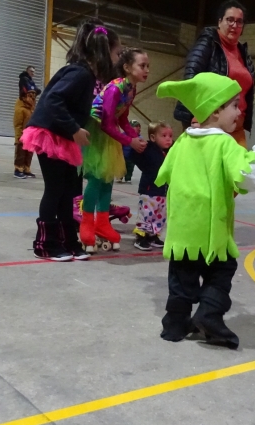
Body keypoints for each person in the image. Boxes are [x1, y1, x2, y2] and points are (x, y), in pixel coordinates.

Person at [156, 72, 255, 349]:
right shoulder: (224, 144)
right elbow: (249, 173)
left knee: (181, 277)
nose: (239, 112)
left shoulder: (181, 142)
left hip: (183, 229)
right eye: (235, 106)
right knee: (221, 270)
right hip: (212, 230)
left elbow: (164, 174)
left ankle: (174, 325)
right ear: (215, 111)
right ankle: (209, 315)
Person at [21, 19, 121, 261]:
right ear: (103, 52)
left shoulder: (87, 76)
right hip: (50, 135)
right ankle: (45, 243)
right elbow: (53, 100)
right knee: (55, 190)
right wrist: (74, 128)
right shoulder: (80, 74)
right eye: (117, 53)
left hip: (62, 136)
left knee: (69, 192)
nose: (119, 58)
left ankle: (67, 239)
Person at [80, 48, 149, 254]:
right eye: (142, 66)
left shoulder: (131, 89)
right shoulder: (115, 89)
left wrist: (134, 136)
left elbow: (122, 118)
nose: (147, 70)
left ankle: (102, 222)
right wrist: (129, 141)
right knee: (96, 178)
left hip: (110, 134)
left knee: (108, 179)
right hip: (97, 132)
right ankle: (86, 222)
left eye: (148, 66)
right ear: (127, 67)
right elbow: (106, 124)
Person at [174, 0, 255, 147]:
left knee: (241, 169)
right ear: (220, 21)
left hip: (237, 126)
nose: (234, 25)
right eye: (230, 20)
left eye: (239, 22)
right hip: (210, 126)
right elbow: (190, 79)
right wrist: (195, 117)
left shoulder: (243, 54)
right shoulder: (208, 43)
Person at [131, 121, 173, 251]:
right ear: (153, 138)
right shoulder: (148, 148)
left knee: (159, 215)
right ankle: (141, 237)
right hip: (149, 190)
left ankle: (153, 235)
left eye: (170, 136)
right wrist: (136, 146)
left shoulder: (167, 152)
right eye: (164, 136)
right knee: (147, 214)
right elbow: (134, 155)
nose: (168, 139)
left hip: (162, 191)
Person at [13, 89, 36, 179]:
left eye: (34, 97)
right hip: (22, 136)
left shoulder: (32, 110)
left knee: (29, 153)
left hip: (31, 136)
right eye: (30, 97)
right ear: (23, 98)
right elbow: (17, 125)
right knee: (21, 153)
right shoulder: (20, 110)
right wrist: (18, 137)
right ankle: (18, 169)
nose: (33, 99)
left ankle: (26, 167)